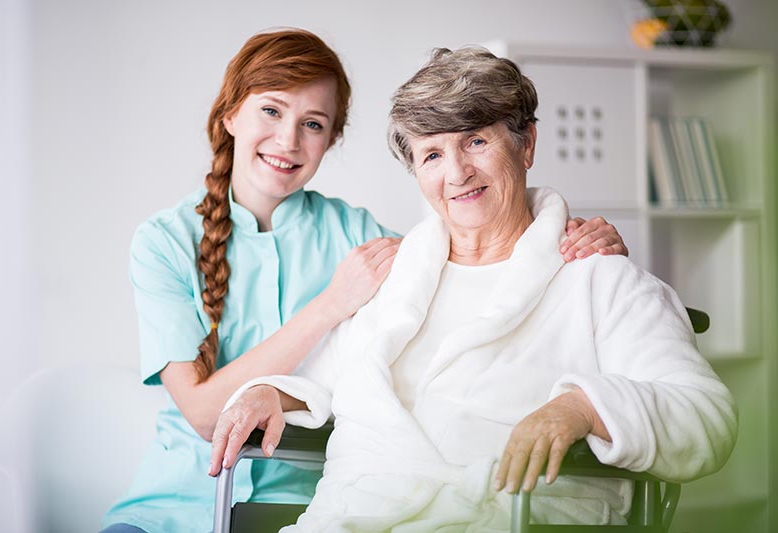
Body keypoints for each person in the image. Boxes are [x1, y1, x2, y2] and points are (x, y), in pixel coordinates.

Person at [101, 30, 628, 533]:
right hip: (173, 507)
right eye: (270, 110)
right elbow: (202, 413)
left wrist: (569, 235)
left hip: (307, 503)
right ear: (230, 113)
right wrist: (332, 303)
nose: (288, 139)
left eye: (313, 123)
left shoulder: (358, 234)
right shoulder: (162, 242)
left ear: (332, 139)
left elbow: (473, 247)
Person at [210, 46, 738, 531]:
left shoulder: (598, 275)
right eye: (432, 155)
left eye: (477, 141)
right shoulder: (394, 279)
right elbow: (320, 378)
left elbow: (706, 416)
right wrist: (267, 392)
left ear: (526, 143)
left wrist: (583, 408)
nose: (457, 172)